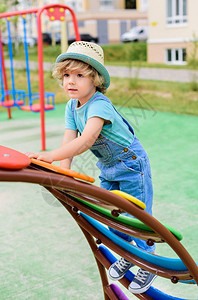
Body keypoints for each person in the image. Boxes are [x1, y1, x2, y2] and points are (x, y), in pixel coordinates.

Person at [26, 41, 157, 294]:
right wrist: (64, 172)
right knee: (112, 216)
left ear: (95, 79)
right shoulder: (71, 107)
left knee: (136, 216)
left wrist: (50, 156)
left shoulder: (99, 105)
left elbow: (85, 140)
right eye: (66, 75)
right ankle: (127, 254)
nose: (70, 81)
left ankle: (148, 262)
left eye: (78, 75)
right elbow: (69, 137)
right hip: (108, 167)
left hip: (131, 165)